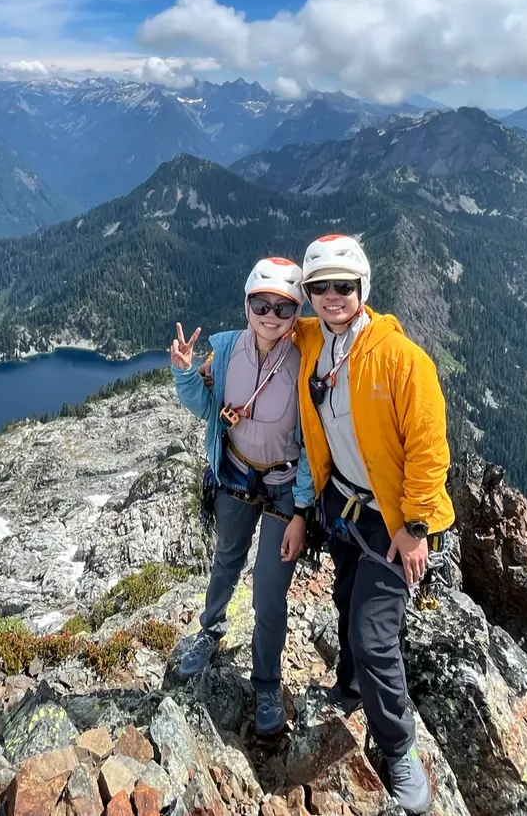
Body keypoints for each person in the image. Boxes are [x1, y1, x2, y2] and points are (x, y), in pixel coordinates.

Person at [293, 233, 452, 813]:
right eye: (320, 288)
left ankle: (400, 750)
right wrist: (203, 371)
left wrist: (415, 527)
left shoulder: (403, 360)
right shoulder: (314, 340)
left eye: (343, 287)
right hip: (343, 505)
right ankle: (351, 686)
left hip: (393, 521)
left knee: (374, 633)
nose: (331, 297)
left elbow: (430, 450)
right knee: (343, 599)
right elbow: (265, 328)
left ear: (363, 289)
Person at [169, 256, 315, 736]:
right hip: (233, 475)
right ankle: (209, 632)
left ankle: (267, 683)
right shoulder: (227, 349)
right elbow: (207, 408)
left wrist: (302, 510)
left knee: (270, 593)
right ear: (247, 303)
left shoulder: (304, 360)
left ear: (297, 314)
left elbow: (315, 440)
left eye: (283, 307)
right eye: (261, 304)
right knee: (226, 560)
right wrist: (187, 374)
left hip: (281, 489)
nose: (271, 315)